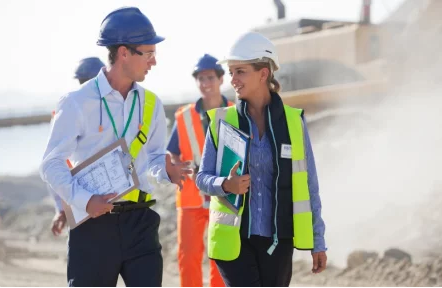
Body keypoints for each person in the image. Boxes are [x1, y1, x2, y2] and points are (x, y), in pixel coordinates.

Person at [39, 7, 191, 288]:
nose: (154, 62)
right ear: (124, 53)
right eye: (148, 53)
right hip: (93, 227)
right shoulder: (76, 103)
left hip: (141, 222)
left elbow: (154, 159)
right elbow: (51, 164)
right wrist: (84, 201)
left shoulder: (151, 104)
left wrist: (166, 171)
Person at [196, 31, 328, 287]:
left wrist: (318, 241)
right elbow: (201, 178)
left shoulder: (293, 122)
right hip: (233, 240)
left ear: (263, 73)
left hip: (277, 242)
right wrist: (226, 184)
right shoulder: (222, 121)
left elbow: (309, 185)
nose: (232, 79)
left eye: (240, 71)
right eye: (231, 72)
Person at [167, 54, 231, 288]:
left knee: (221, 256)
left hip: (226, 196)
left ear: (221, 79)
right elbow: (172, 153)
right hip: (192, 198)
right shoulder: (183, 117)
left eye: (210, 78)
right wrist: (181, 170)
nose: (205, 83)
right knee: (189, 256)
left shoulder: (236, 112)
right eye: (201, 78)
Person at [48, 57, 106, 237]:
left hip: (106, 202)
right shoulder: (66, 113)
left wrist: (61, 208)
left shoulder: (112, 111)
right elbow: (55, 165)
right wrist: (61, 208)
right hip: (80, 203)